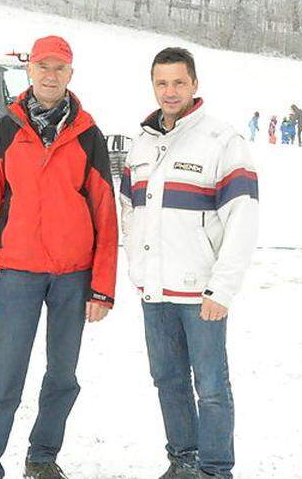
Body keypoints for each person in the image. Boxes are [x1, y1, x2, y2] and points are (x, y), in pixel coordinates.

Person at [0, 35, 118, 479]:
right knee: (5, 378)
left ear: (70, 75)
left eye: (60, 69)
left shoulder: (88, 135)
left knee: (62, 375)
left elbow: (105, 215)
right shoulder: (5, 131)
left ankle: (42, 457)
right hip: (17, 274)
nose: (50, 76)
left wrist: (103, 288)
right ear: (30, 71)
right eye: (43, 67)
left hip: (73, 278)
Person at [120, 47, 259, 479]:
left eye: (179, 82)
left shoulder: (222, 141)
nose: (170, 91)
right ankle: (183, 461)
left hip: (201, 294)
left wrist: (222, 289)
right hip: (155, 290)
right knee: (168, 380)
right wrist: (137, 271)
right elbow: (129, 211)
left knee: (212, 388)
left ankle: (215, 470)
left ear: (194, 84)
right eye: (162, 83)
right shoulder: (142, 144)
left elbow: (243, 219)